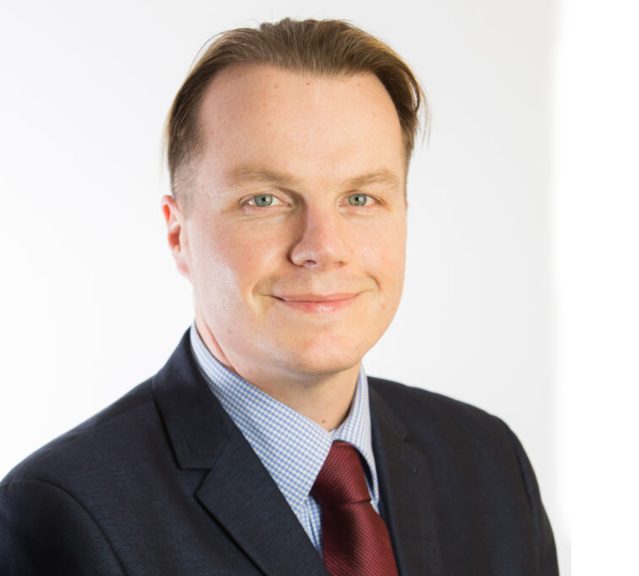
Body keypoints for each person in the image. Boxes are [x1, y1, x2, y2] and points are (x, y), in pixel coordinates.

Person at [0, 18, 557, 576]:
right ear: (178, 234)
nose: (323, 248)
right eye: (264, 199)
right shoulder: (63, 513)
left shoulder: (489, 464)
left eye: (360, 198)